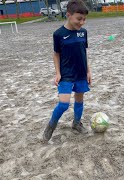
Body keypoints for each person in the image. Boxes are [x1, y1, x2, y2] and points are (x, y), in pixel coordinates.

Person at [43, 0, 92, 142]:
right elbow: (56, 54)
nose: (82, 22)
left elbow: (84, 52)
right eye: (79, 19)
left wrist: (88, 71)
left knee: (79, 99)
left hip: (81, 73)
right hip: (66, 74)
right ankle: (51, 126)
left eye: (84, 19)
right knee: (64, 103)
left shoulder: (83, 33)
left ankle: (76, 123)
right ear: (68, 15)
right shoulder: (58, 34)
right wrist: (57, 73)